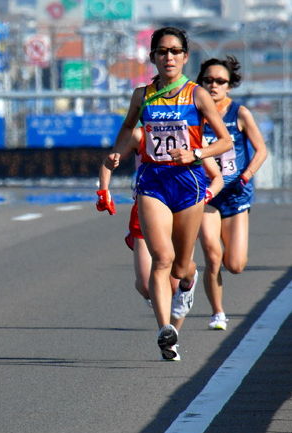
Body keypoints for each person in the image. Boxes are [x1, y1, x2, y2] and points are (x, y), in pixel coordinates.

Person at [96, 26, 233, 361]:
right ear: (153, 57)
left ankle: (188, 282)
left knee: (181, 267)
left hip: (188, 183)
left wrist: (196, 154)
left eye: (175, 51)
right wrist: (117, 151)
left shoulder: (197, 95)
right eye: (162, 51)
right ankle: (165, 331)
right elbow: (129, 128)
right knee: (162, 259)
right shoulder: (142, 95)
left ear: (185, 57)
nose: (168, 57)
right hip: (153, 181)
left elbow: (225, 141)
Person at [97, 128, 224, 334]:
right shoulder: (140, 135)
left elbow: (217, 177)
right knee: (145, 286)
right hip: (149, 205)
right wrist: (104, 190)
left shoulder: (193, 134)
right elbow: (109, 160)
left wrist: (205, 196)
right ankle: (166, 330)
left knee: (177, 277)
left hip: (182, 206)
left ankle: (187, 286)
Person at [196, 56, 268, 331]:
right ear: (201, 82)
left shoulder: (239, 113)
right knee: (212, 254)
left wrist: (247, 174)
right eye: (208, 80)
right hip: (207, 193)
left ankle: (229, 260)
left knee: (235, 264)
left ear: (229, 85)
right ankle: (217, 312)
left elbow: (261, 149)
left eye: (220, 81)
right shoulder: (194, 112)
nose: (213, 85)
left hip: (236, 193)